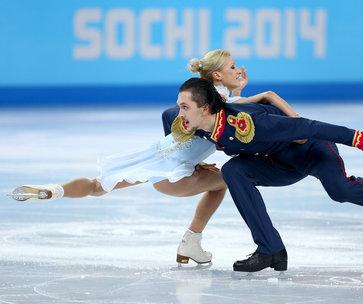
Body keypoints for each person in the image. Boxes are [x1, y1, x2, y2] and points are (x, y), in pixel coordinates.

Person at [10, 50, 300, 266]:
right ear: (216, 76)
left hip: (158, 154)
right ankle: (191, 240)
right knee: (226, 181)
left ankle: (53, 190)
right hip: (174, 173)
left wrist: (194, 157)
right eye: (233, 66)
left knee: (99, 185)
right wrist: (289, 116)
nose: (240, 68)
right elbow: (259, 101)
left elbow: (178, 113)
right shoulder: (222, 102)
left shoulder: (205, 97)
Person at [173, 77, 363, 273]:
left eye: (185, 107)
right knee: (234, 171)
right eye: (180, 106)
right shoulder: (198, 123)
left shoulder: (247, 123)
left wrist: (359, 138)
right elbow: (167, 118)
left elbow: (306, 126)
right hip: (280, 164)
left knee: (340, 191)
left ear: (205, 108)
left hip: (311, 150)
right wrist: (194, 164)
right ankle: (271, 249)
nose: (180, 113)